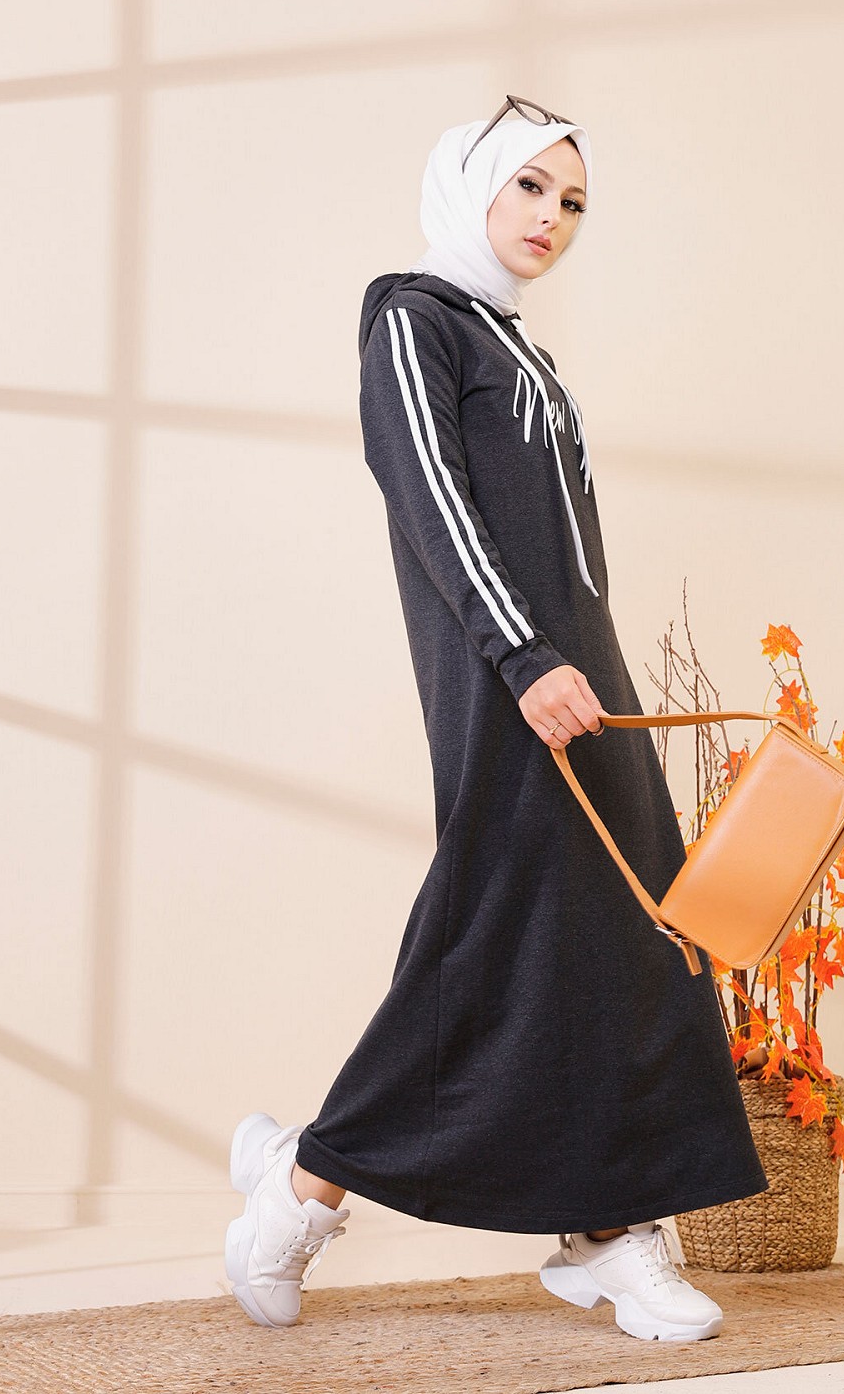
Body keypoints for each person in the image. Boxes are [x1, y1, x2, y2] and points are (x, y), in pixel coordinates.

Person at [224, 96, 769, 1342]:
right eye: (528, 185)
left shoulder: (524, 353)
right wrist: (523, 657)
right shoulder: (413, 318)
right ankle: (302, 1188)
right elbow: (428, 496)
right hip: (507, 676)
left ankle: (605, 1230)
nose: (551, 218)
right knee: (495, 935)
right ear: (467, 183)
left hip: (581, 677)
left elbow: (572, 556)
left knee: (633, 937)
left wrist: (582, 666)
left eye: (572, 201)